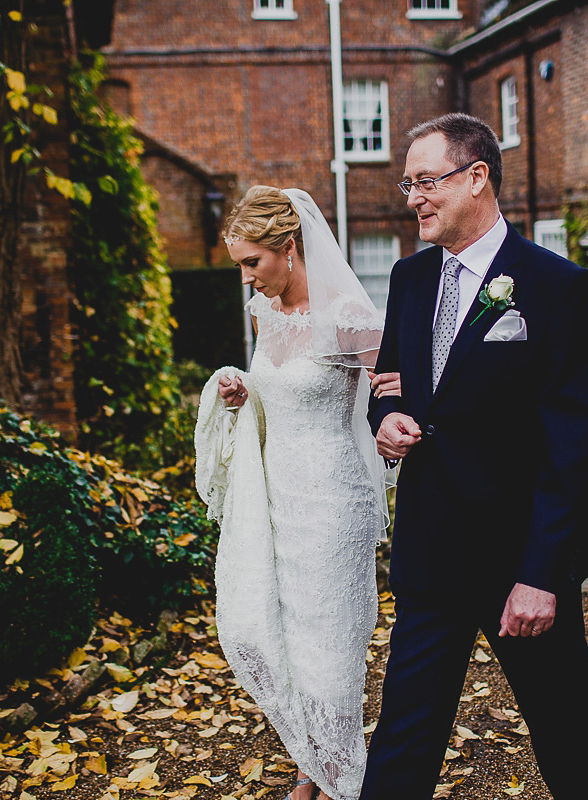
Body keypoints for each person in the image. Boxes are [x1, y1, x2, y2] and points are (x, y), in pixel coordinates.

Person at [361, 113, 588, 799]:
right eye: (407, 183)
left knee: (565, 731)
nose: (413, 197)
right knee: (404, 734)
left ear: (477, 177)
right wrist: (386, 421)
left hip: (518, 559)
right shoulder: (410, 279)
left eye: (426, 181)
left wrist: (540, 574)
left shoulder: (556, 287)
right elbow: (389, 384)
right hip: (430, 551)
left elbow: (572, 443)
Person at [194, 187, 394, 800]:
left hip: (333, 502)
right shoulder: (266, 315)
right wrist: (235, 391)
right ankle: (317, 763)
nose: (249, 280)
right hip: (273, 497)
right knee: (261, 632)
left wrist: (393, 423)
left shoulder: (350, 319)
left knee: (327, 651)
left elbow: (394, 387)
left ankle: (329, 781)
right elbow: (270, 393)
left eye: (253, 263)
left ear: (288, 247)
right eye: (241, 268)